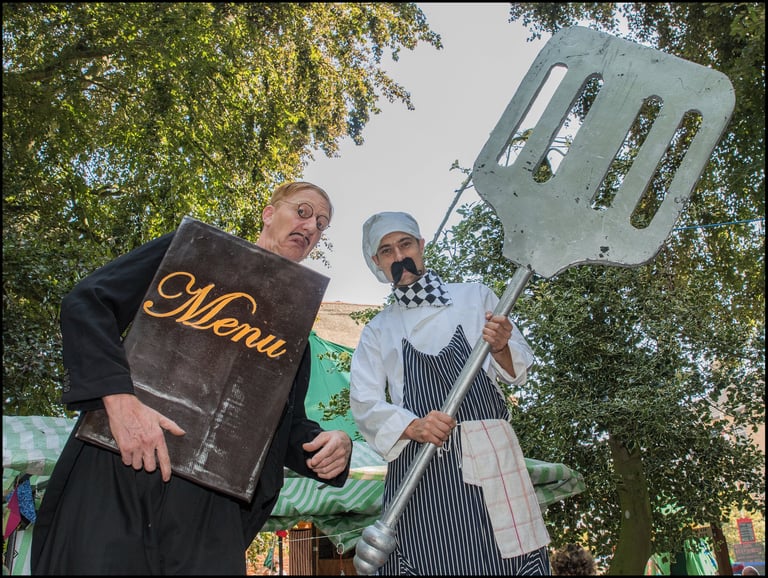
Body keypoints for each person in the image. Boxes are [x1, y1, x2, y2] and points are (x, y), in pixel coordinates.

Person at [31, 181, 353, 575]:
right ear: (269, 212)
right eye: (303, 211)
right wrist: (119, 401)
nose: (312, 227)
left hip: (211, 509)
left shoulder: (294, 328)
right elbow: (88, 303)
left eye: (322, 223)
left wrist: (331, 446)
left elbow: (284, 426)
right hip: (121, 464)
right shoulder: (197, 252)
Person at [349, 211, 551, 575]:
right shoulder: (378, 330)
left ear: (422, 246)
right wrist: (413, 427)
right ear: (378, 264)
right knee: (426, 558)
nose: (399, 257)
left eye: (406, 244)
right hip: (419, 468)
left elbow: (516, 371)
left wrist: (501, 345)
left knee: (509, 559)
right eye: (387, 251)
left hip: (490, 458)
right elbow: (364, 403)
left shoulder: (475, 297)